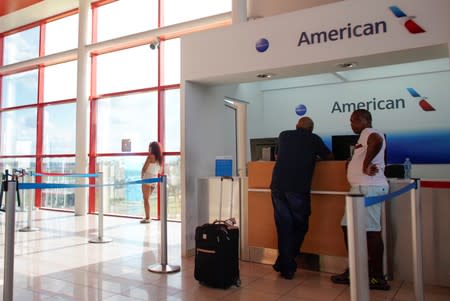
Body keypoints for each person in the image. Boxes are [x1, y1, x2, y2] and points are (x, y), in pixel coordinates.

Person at [330, 109, 390, 290]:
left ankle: (377, 277)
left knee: (371, 232)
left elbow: (376, 142)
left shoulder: (370, 133)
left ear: (364, 120)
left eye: (353, 121)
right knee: (347, 226)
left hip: (369, 188)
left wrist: (364, 165)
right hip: (360, 189)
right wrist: (354, 161)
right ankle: (357, 269)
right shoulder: (364, 137)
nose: (351, 124)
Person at [270, 116, 333, 279]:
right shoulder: (314, 139)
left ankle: (284, 263)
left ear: (297, 125)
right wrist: (314, 157)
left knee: (284, 227)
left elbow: (278, 156)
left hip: (277, 187)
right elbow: (330, 157)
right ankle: (287, 265)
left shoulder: (283, 135)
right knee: (300, 226)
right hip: (297, 188)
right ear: (311, 129)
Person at [140, 141, 162, 224]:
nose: (148, 148)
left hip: (147, 179)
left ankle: (148, 218)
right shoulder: (159, 159)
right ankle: (147, 217)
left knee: (146, 199)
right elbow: (160, 170)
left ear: (152, 148)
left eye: (149, 147)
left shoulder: (150, 157)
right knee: (147, 199)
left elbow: (144, 168)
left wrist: (142, 176)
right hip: (154, 180)